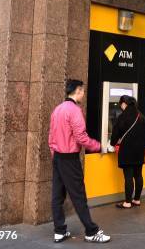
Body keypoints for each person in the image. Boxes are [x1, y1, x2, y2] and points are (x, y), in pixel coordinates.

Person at [48, 79, 111, 243]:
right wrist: (99, 146)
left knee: (57, 196)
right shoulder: (74, 110)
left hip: (58, 158)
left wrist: (55, 154)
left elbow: (51, 136)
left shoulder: (57, 109)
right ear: (77, 91)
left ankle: (59, 231)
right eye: (82, 91)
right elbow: (81, 137)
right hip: (69, 159)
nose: (83, 94)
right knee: (79, 197)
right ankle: (91, 231)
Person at [110, 95, 145, 209]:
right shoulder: (142, 116)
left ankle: (127, 202)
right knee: (138, 175)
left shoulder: (123, 116)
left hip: (127, 151)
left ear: (123, 103)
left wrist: (113, 143)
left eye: (120, 104)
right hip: (139, 151)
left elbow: (115, 134)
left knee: (128, 176)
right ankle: (136, 199)